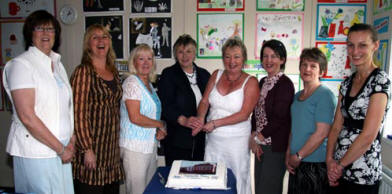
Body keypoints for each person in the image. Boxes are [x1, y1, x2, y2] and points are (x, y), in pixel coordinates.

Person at [2, 10, 75, 194]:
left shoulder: (57, 64)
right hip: (37, 153)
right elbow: (27, 116)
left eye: (50, 29)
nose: (45, 33)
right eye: (39, 28)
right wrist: (60, 149)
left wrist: (71, 139)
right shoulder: (21, 65)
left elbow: (66, 108)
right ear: (30, 33)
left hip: (62, 149)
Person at [326, 23, 391, 194]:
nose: (355, 52)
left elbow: (368, 135)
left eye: (362, 45)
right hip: (338, 170)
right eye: (351, 45)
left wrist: (339, 166)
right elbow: (336, 126)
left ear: (375, 46)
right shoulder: (347, 83)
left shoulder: (380, 81)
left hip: (363, 175)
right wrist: (329, 160)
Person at [191, 36, 260, 194]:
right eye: (227, 57)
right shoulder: (216, 74)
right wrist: (200, 118)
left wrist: (215, 123)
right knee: (211, 178)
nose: (232, 61)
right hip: (213, 141)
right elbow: (204, 101)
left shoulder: (251, 82)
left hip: (236, 143)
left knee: (237, 179)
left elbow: (244, 114)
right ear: (222, 58)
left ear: (244, 58)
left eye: (236, 56)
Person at [71, 24, 124, 194]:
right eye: (95, 37)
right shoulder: (83, 72)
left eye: (105, 36)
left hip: (111, 153)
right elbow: (78, 113)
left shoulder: (113, 71)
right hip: (92, 151)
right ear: (88, 44)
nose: (101, 40)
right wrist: (87, 149)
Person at [286, 48, 337, 194]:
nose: (307, 69)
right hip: (296, 162)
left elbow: (322, 133)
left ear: (321, 72)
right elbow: (293, 129)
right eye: (304, 64)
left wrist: (299, 155)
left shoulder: (325, 96)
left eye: (313, 66)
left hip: (314, 165)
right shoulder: (297, 96)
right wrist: (289, 155)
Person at [120, 44, 167, 194]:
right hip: (134, 148)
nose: (146, 62)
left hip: (149, 146)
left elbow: (151, 116)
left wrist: (159, 130)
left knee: (149, 190)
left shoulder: (149, 85)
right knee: (137, 191)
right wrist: (160, 124)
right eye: (141, 59)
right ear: (134, 62)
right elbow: (135, 117)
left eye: (149, 58)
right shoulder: (131, 83)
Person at [157, 34, 211, 166]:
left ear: (195, 53)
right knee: (177, 180)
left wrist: (202, 121)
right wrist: (183, 120)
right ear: (175, 54)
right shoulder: (169, 74)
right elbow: (165, 105)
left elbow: (211, 102)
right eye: (180, 52)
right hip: (177, 141)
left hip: (200, 140)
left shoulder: (205, 75)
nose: (185, 56)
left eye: (189, 51)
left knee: (197, 179)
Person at [250, 39, 294, 194]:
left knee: (269, 189)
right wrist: (253, 135)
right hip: (260, 144)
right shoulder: (262, 82)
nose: (269, 60)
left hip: (275, 148)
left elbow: (279, 118)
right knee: (260, 188)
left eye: (274, 56)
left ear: (282, 60)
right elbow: (256, 112)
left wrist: (258, 137)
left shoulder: (285, 84)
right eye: (265, 56)